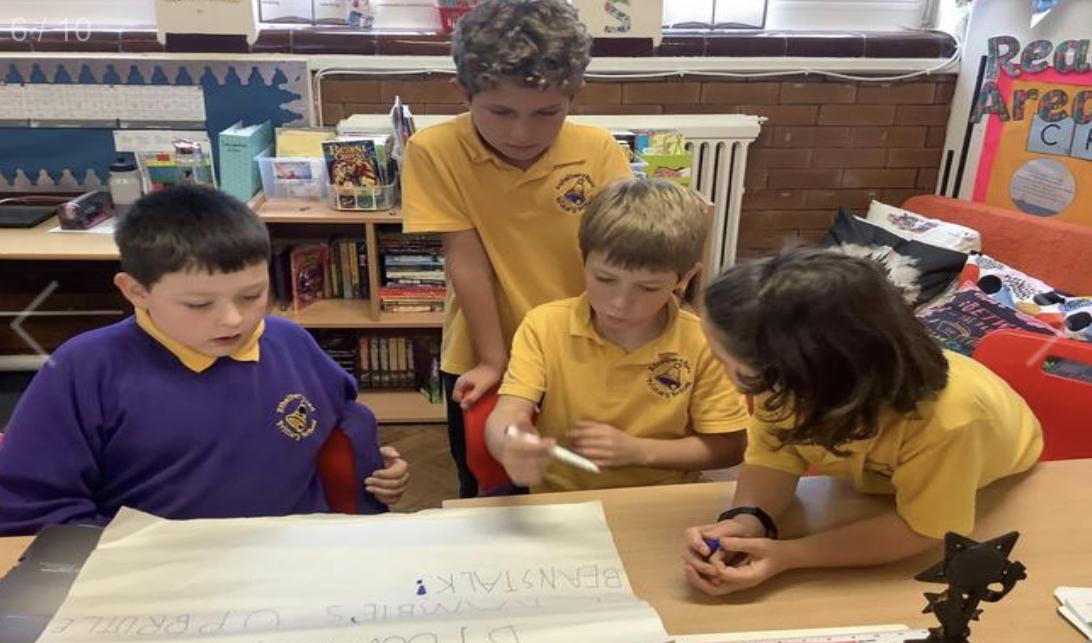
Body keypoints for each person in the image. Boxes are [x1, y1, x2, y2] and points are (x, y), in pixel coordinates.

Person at [0, 186, 409, 536]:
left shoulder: (289, 342)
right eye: (199, 304)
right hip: (156, 570)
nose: (233, 320)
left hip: (291, 553)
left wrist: (377, 466)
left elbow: (340, 426)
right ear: (136, 291)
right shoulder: (86, 368)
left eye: (252, 296)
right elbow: (33, 509)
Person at [683, 248, 1042, 596]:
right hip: (884, 471)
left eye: (725, 360)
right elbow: (774, 457)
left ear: (801, 373)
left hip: (997, 481)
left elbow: (924, 530)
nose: (722, 371)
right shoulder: (790, 380)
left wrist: (789, 556)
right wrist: (748, 520)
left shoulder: (949, 421)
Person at [401, 0, 632, 497]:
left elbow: (619, 257)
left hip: (580, 349)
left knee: (580, 480)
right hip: (484, 347)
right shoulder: (433, 150)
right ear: (463, 93)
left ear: (573, 95)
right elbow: (466, 259)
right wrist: (493, 360)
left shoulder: (599, 150)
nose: (521, 133)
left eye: (547, 113)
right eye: (500, 112)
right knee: (487, 486)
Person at [484, 179, 749, 493]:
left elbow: (730, 447)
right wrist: (510, 441)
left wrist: (640, 451)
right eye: (605, 279)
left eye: (648, 288)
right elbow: (508, 413)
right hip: (559, 496)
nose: (620, 303)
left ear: (686, 277)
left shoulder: (704, 342)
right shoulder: (544, 325)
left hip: (659, 497)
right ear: (584, 261)